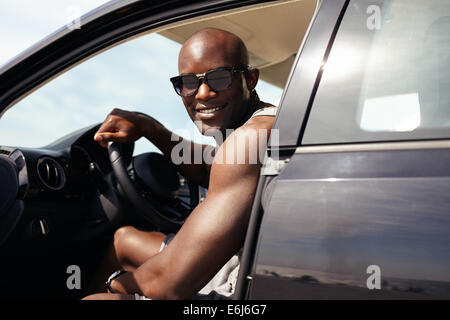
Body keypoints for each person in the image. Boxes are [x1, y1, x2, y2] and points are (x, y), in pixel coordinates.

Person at [84, 28, 278, 300]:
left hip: (242, 287)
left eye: (220, 78)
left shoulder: (249, 138)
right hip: (246, 264)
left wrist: (115, 284)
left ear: (250, 78)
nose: (203, 93)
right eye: (189, 82)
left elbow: (168, 284)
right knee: (123, 240)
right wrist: (148, 127)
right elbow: (208, 167)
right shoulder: (264, 123)